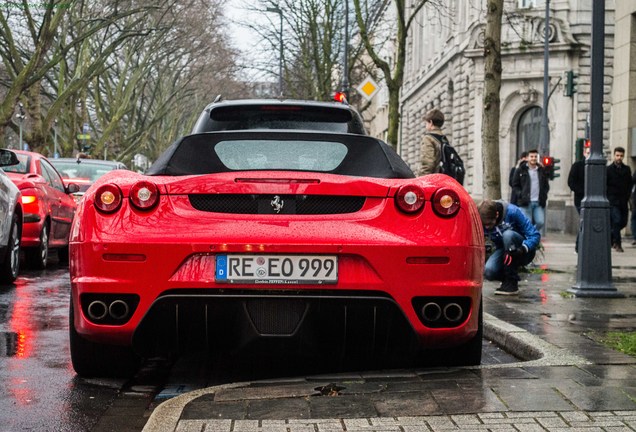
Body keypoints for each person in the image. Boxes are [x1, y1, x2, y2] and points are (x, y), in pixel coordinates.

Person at [479, 199, 541, 296]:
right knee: (489, 271)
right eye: (484, 225)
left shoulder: (513, 212)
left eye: (490, 224)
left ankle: (511, 281)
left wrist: (523, 249)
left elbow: (535, 235)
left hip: (522, 251)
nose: (487, 228)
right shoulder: (482, 220)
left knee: (508, 235)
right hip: (503, 250)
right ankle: (506, 279)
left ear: (496, 215)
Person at [511, 149, 550, 232]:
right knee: (527, 223)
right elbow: (515, 185)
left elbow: (546, 185)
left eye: (535, 156)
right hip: (525, 202)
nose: (533, 158)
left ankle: (532, 234)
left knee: (540, 222)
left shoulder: (541, 170)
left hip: (538, 202)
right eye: (531, 156)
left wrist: (544, 195)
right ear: (528, 158)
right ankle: (530, 238)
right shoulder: (520, 170)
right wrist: (520, 194)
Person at [606, 146, 632, 252]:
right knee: (616, 220)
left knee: (623, 222)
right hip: (612, 200)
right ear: (614, 156)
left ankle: (611, 237)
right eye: (617, 155)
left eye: (621, 156)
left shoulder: (627, 169)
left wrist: (627, 196)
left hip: (623, 200)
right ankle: (618, 243)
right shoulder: (608, 170)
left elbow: (629, 184)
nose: (619, 158)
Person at [567, 146, 590, 252]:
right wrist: (581, 191)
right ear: (584, 153)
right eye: (588, 152)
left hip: (593, 199)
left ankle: (583, 244)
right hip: (580, 199)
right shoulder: (577, 166)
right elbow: (571, 182)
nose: (590, 155)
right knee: (584, 221)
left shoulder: (599, 167)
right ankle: (579, 245)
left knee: (587, 222)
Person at [418, 108, 444, 176]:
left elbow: (427, 164)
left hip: (433, 180)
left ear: (431, 123)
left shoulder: (429, 139)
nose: (425, 125)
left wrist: (421, 181)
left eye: (426, 123)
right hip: (443, 180)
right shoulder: (443, 139)